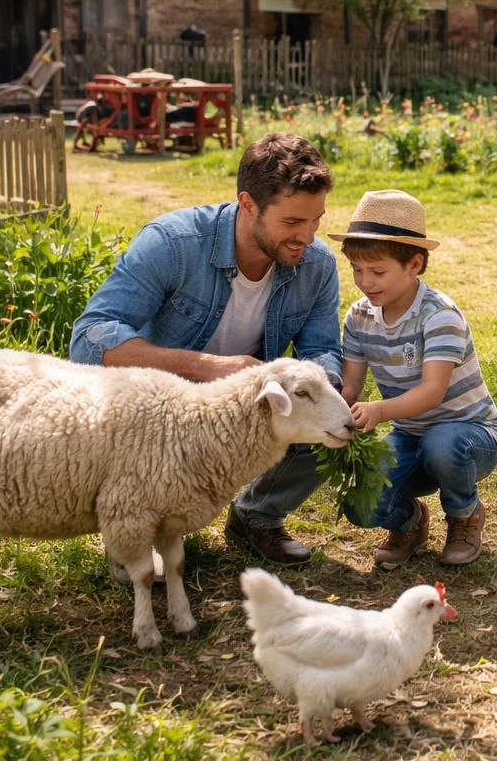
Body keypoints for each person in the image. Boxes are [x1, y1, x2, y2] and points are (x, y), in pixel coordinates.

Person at [69, 132, 343, 573]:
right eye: (293, 223)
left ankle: (256, 515)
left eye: (316, 221)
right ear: (248, 204)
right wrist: (207, 367)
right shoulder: (172, 243)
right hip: (161, 414)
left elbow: (323, 350)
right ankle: (137, 522)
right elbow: (90, 338)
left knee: (333, 416)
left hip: (247, 413)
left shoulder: (317, 265)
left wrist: (329, 393)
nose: (308, 237)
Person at [328, 190, 497, 568]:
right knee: (360, 502)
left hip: (468, 436)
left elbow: (432, 392)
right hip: (410, 436)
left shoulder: (439, 316)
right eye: (357, 269)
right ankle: (409, 521)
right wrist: (335, 414)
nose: (365, 282)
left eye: (377, 272)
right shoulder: (358, 317)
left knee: (442, 443)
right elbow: (351, 385)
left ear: (414, 264)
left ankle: (464, 514)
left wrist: (378, 409)